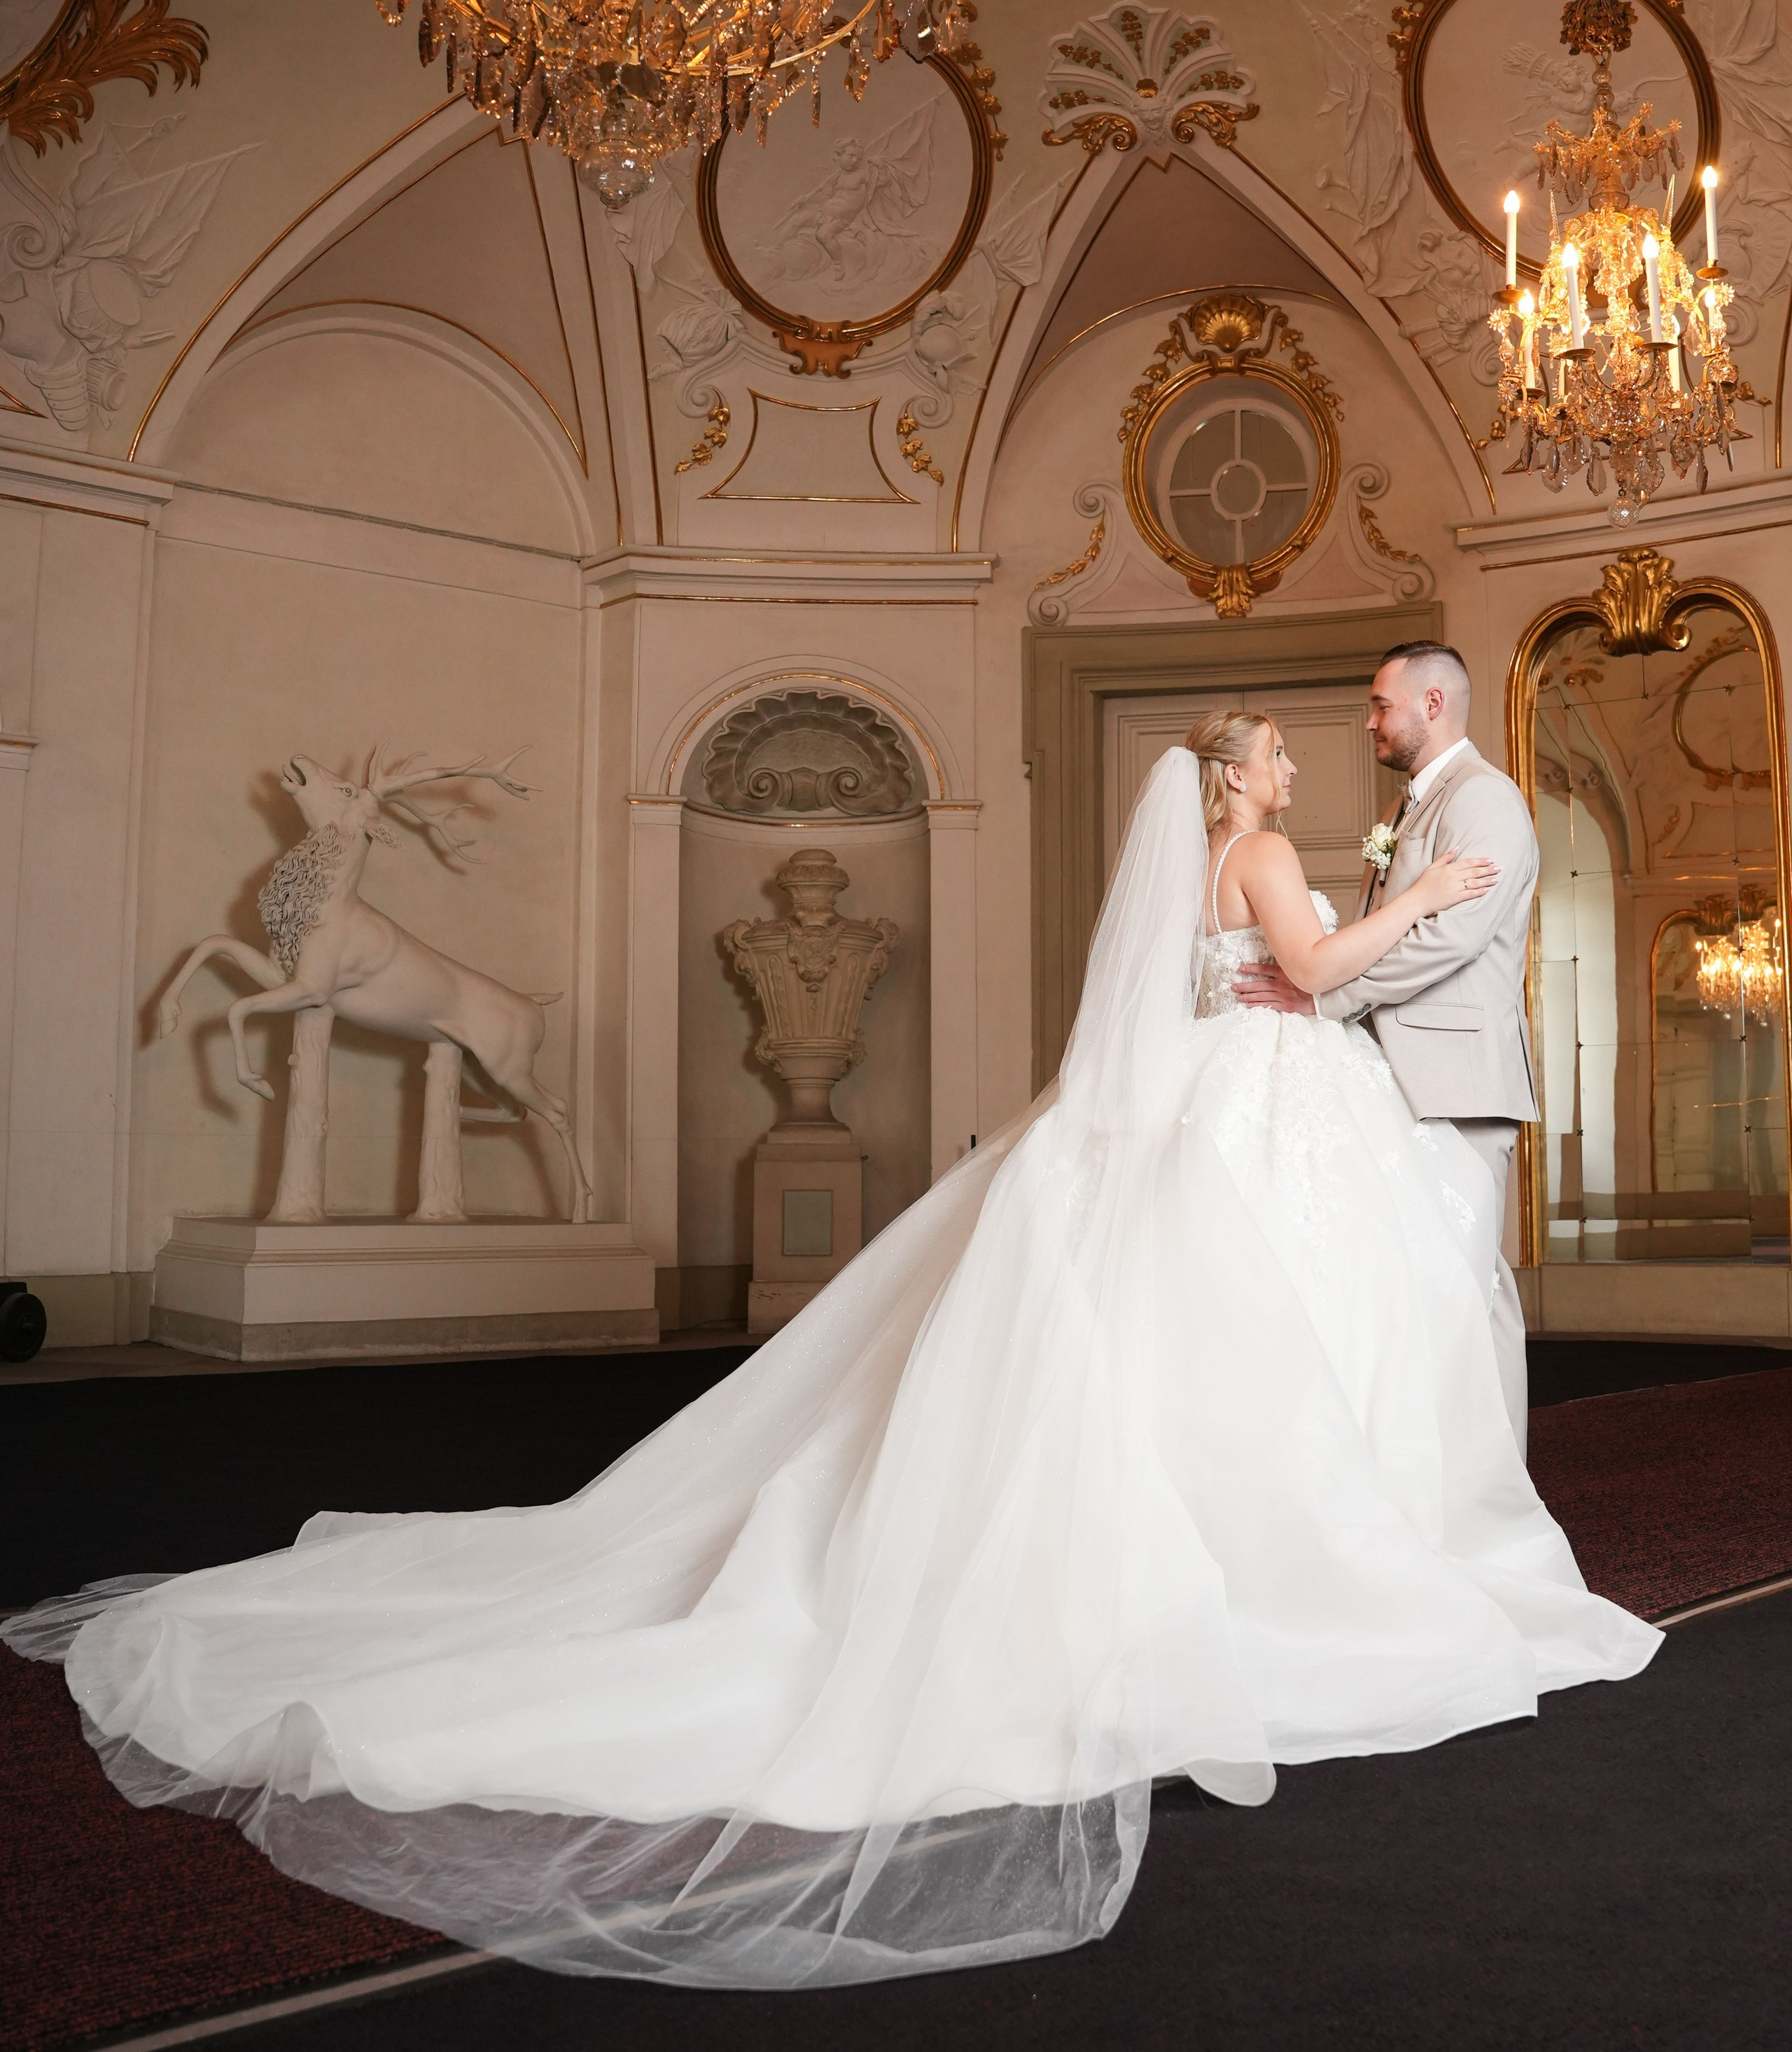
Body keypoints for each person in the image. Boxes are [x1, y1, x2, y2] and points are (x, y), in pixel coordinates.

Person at [4, 711, 1658, 1992]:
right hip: (1256, 1104)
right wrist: (1425, 897)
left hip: (1204, 1104)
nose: (1294, 757)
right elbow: (1307, 972)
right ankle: (1246, 1580)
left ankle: (1186, 1558)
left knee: (1173, 1359)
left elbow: (1209, 997)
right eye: (1276, 751)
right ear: (1239, 780)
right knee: (1240, 1362)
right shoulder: (1271, 855)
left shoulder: (1193, 867)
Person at [1234, 642, 1538, 1449]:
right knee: (1420, 1290)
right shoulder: (1408, 806)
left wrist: (1323, 994)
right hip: (1392, 1079)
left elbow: (1453, 941)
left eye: (1380, 705)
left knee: (1469, 1291)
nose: (1368, 720)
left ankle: (1496, 1478)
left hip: (1456, 1078)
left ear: (1432, 705)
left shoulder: (1486, 801)